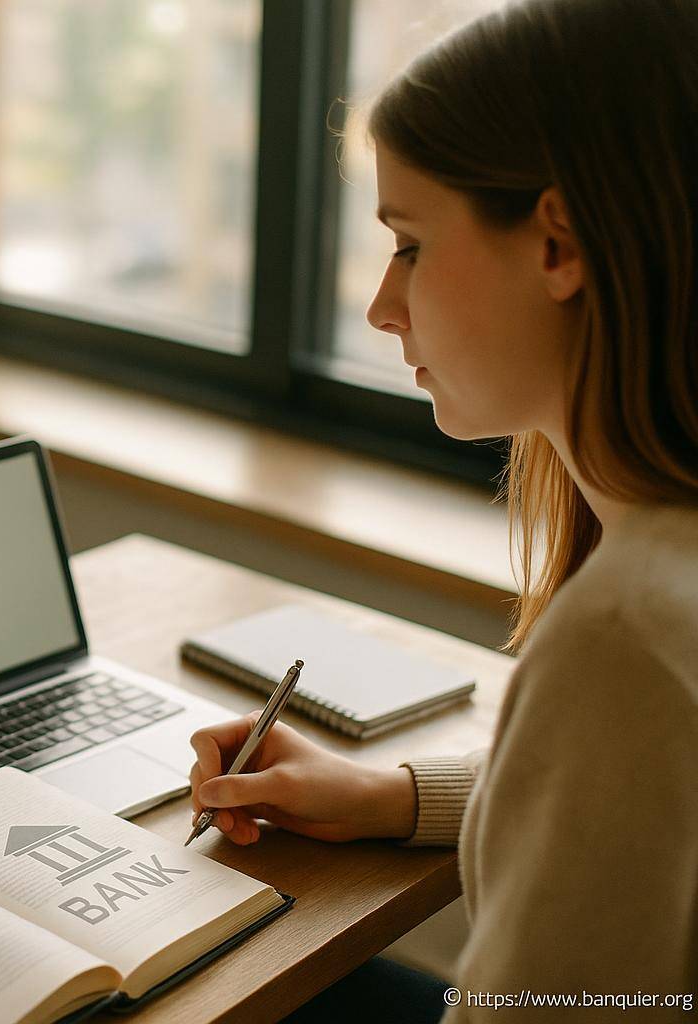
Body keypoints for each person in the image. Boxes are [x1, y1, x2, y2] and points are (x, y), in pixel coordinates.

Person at [186, 0, 698, 1020]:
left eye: (410, 244)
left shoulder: (632, 631)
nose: (382, 304)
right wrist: (389, 796)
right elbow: (643, 813)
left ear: (559, 244)